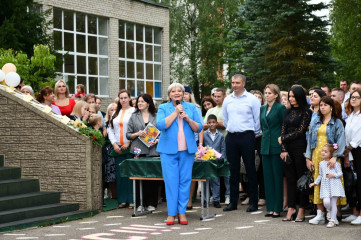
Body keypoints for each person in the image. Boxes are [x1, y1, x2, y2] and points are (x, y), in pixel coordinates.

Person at [156, 83, 203, 225]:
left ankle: (181, 213)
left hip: (187, 151)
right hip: (168, 151)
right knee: (171, 182)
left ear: (183, 94)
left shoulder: (191, 108)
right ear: (169, 94)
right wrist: (176, 112)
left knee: (185, 181)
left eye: (179, 91)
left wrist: (187, 118)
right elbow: (161, 125)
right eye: (173, 91)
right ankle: (171, 214)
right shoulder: (163, 108)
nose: (176, 93)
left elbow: (198, 127)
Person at [222, 74, 261, 213]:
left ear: (243, 83)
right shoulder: (227, 100)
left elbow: (257, 120)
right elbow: (225, 120)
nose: (234, 85)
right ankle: (233, 202)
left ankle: (253, 202)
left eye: (237, 83)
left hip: (247, 136)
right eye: (232, 83)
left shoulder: (252, 99)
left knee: (250, 169)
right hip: (232, 137)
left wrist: (252, 134)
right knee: (232, 171)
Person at [305, 96, 346, 225]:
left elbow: (341, 141)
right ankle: (320, 214)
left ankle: (334, 214)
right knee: (319, 183)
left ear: (331, 107)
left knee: (332, 183)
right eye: (321, 105)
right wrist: (308, 157)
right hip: (317, 155)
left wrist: (335, 156)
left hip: (331, 157)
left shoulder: (337, 122)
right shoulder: (315, 120)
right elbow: (310, 140)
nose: (322, 107)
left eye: (325, 105)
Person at [279, 86, 312, 222]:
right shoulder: (287, 112)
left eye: (293, 96)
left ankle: (302, 208)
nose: (291, 99)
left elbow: (300, 131)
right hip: (288, 150)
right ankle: (291, 208)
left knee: (301, 179)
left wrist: (283, 139)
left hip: (300, 148)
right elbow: (283, 131)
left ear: (299, 96)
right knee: (290, 179)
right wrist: (283, 149)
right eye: (289, 96)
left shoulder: (306, 112)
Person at [126, 93, 159, 212]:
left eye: (142, 101)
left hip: (153, 150)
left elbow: (163, 132)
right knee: (139, 178)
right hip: (138, 150)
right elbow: (128, 135)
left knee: (152, 179)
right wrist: (137, 134)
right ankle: (140, 203)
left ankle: (152, 203)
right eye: (138, 101)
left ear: (148, 103)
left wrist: (158, 140)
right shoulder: (133, 116)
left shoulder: (156, 115)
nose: (139, 103)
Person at [260, 84, 286, 218]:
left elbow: (284, 126)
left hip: (276, 146)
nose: (267, 95)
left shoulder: (280, 108)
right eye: (266, 93)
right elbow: (262, 126)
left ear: (276, 95)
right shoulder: (262, 108)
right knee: (268, 178)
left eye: (270, 93)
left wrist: (283, 146)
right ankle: (270, 207)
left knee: (277, 178)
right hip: (265, 146)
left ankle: (277, 207)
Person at [107, 89, 135, 208]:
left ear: (129, 98)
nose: (123, 100)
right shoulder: (115, 113)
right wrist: (114, 144)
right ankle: (122, 199)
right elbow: (110, 129)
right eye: (121, 98)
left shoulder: (134, 111)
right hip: (118, 147)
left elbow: (135, 128)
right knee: (120, 174)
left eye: (125, 97)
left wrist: (128, 143)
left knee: (130, 173)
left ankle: (132, 199)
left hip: (130, 146)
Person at [203, 88, 230, 205]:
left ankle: (228, 195)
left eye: (219, 96)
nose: (217, 98)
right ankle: (215, 196)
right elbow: (204, 125)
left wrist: (215, 124)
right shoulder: (211, 110)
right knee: (213, 173)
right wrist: (218, 123)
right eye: (215, 96)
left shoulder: (227, 108)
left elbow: (226, 125)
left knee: (226, 171)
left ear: (224, 96)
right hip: (211, 144)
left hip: (225, 141)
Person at [309, 144, 346, 228]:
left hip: (334, 185)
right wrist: (315, 183)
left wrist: (333, 175)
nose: (323, 153)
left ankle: (332, 220)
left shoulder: (336, 163)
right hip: (325, 185)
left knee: (333, 203)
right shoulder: (321, 163)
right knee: (326, 202)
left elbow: (340, 173)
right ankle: (329, 212)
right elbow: (321, 175)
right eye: (322, 151)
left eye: (326, 152)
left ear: (331, 154)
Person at [183, 86, 203, 210]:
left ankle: (189, 199)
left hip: (193, 141)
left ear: (190, 95)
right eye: (182, 93)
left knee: (191, 173)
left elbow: (200, 127)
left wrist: (200, 144)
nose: (184, 95)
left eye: (186, 93)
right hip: (179, 142)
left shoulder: (196, 108)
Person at [343, 89, 361, 224]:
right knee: (354, 184)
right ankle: (356, 212)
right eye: (352, 97)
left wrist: (349, 148)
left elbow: (358, 138)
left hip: (358, 150)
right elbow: (347, 135)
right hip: (351, 151)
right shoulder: (351, 115)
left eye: (357, 97)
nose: (353, 99)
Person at [203, 114, 226, 208]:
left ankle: (216, 200)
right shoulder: (204, 134)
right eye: (209, 123)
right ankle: (205, 200)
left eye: (213, 122)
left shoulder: (220, 136)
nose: (211, 124)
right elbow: (202, 147)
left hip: (216, 161)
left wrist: (222, 159)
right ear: (207, 124)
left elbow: (223, 148)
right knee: (205, 181)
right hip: (207, 161)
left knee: (216, 181)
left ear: (216, 123)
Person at [103, 103, 118, 199]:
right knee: (110, 172)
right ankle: (113, 195)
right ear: (108, 112)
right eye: (111, 110)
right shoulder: (105, 123)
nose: (113, 111)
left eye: (115, 109)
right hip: (109, 150)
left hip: (120, 148)